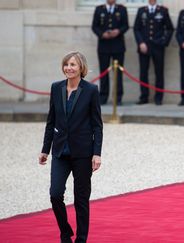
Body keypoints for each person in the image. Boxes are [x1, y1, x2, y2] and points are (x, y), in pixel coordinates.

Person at [39, 52, 103, 243]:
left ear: (80, 67)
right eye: (66, 64)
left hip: (83, 152)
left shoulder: (91, 90)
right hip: (60, 151)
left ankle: (81, 239)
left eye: (73, 64)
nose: (69, 68)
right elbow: (51, 121)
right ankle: (65, 232)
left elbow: (97, 125)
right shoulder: (56, 87)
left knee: (80, 199)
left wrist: (97, 154)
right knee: (55, 194)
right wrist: (45, 149)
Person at [134, 0, 174, 106]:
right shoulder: (141, 10)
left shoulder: (163, 11)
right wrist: (140, 43)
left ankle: (159, 97)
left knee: (159, 73)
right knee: (143, 73)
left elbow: (169, 29)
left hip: (158, 47)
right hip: (144, 47)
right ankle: (144, 96)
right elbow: (136, 29)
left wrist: (163, 42)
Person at [91, 0, 129, 105]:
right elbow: (94, 26)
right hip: (104, 46)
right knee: (104, 72)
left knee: (118, 73)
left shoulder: (122, 9)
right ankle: (103, 96)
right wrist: (102, 34)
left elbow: (126, 25)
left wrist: (118, 31)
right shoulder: (99, 9)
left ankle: (118, 97)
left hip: (118, 46)